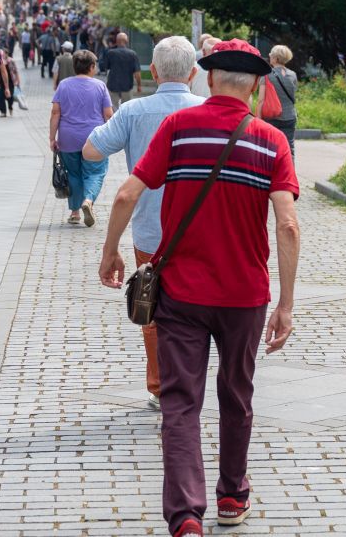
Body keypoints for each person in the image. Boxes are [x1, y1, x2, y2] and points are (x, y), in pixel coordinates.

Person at [97, 39, 299, 537]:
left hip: (182, 296)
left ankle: (187, 516)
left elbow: (127, 192)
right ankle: (232, 495)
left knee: (180, 404)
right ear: (255, 85)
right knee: (237, 396)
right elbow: (289, 226)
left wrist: (111, 250)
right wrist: (287, 305)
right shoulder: (271, 141)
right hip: (245, 296)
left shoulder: (177, 128)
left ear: (208, 79)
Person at [83, 36, 203, 408]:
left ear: (153, 71)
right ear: (194, 73)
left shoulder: (134, 112)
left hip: (150, 229)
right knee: (196, 309)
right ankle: (189, 382)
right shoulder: (207, 110)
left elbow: (90, 149)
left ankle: (159, 385)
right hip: (200, 230)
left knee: (152, 306)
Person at [52, 50, 112, 225]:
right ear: (92, 67)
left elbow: (55, 112)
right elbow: (108, 114)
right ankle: (88, 201)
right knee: (95, 172)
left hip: (68, 139)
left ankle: (75, 213)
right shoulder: (100, 86)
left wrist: (51, 138)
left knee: (74, 175)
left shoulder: (63, 85)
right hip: (94, 139)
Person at [255, 44, 298, 157]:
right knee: (289, 148)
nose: (269, 57)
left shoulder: (266, 75)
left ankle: (269, 173)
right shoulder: (293, 75)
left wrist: (258, 119)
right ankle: (289, 172)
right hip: (290, 116)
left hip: (271, 117)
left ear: (275, 58)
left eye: (271, 55)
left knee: (269, 148)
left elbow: (261, 100)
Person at [103, 31, 143, 109]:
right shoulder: (132, 54)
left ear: (116, 41)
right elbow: (137, 72)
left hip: (112, 84)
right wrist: (139, 85)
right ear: (127, 41)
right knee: (126, 108)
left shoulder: (110, 53)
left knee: (113, 108)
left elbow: (106, 68)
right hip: (127, 85)